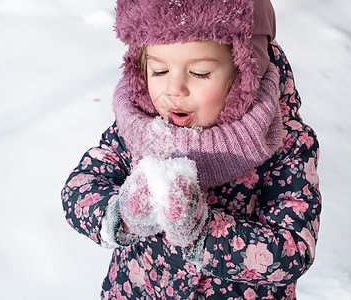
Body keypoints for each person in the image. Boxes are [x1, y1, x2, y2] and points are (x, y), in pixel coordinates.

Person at [61, 0, 321, 298]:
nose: (174, 89)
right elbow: (80, 187)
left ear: (245, 74)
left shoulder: (283, 143)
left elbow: (293, 248)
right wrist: (123, 215)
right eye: (158, 71)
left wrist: (203, 231)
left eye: (199, 73)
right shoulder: (139, 127)